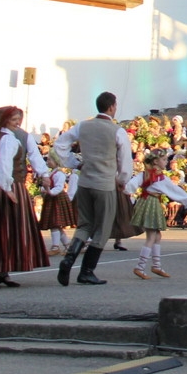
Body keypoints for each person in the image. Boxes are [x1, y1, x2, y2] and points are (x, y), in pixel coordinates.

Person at [52, 92, 131, 286]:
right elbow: (125, 161)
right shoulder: (117, 131)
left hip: (85, 182)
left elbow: (60, 145)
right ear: (112, 107)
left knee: (84, 224)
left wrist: (74, 163)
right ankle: (87, 271)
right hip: (104, 184)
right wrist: (122, 179)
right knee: (102, 228)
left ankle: (69, 259)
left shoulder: (82, 125)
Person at [0, 106, 48, 288]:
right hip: (11, 188)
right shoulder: (6, 140)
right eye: (14, 120)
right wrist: (7, 189)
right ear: (5, 121)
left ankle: (2, 271)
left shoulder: (7, 137)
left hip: (13, 187)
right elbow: (2, 167)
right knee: (5, 230)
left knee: (9, 230)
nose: (18, 123)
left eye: (18, 119)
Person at [127, 149, 187, 279]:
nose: (166, 162)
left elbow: (131, 185)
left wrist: (126, 190)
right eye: (164, 160)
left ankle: (156, 265)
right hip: (151, 203)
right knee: (151, 236)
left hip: (145, 202)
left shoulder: (144, 174)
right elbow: (174, 190)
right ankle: (140, 267)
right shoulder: (160, 177)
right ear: (156, 161)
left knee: (157, 235)